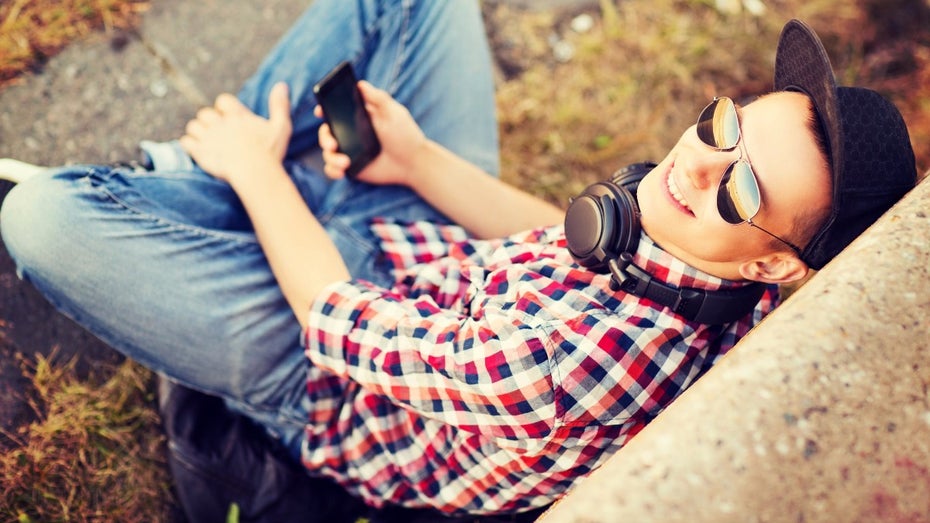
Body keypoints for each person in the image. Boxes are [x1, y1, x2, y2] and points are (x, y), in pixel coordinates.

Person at [0, 0, 917, 521]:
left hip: (324, 366)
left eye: (743, 189)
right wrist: (417, 162)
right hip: (424, 243)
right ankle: (201, 178)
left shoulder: (572, 375)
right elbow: (554, 236)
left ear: (773, 269)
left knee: (43, 218)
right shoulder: (708, 259)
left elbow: (334, 317)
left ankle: (209, 172)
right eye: (725, 127)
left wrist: (258, 173)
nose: (700, 164)